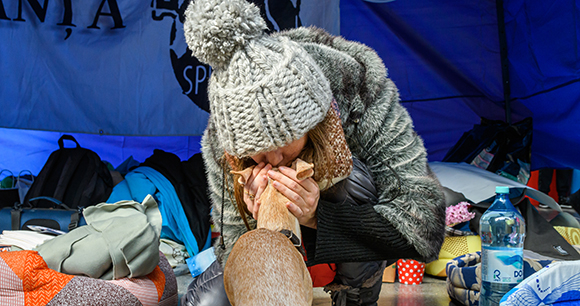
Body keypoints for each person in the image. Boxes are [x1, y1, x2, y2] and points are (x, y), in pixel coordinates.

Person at [181, 0, 446, 305]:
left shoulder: (358, 88)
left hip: (344, 229)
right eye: (259, 154)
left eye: (284, 143)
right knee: (206, 302)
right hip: (281, 258)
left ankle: (356, 294)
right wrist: (256, 219)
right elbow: (230, 246)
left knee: (351, 181)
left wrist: (317, 216)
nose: (276, 161)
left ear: (314, 119)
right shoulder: (226, 135)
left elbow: (425, 227)